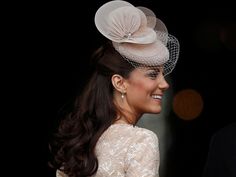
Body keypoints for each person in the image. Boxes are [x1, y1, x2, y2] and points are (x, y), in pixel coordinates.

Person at [49, 0, 180, 176]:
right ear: (119, 83)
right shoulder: (141, 141)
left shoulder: (78, 144)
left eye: (163, 75)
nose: (164, 84)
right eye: (152, 74)